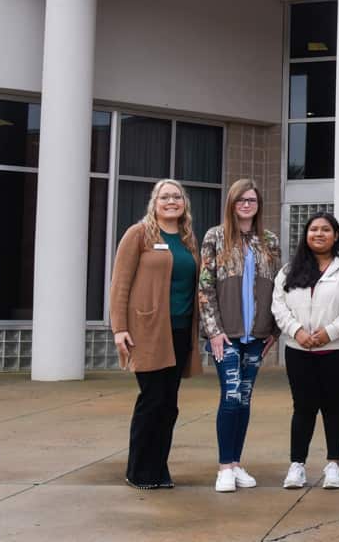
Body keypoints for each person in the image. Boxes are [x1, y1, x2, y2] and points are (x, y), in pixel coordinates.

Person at [109, 178, 201, 489]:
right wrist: (119, 328)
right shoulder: (139, 234)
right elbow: (120, 285)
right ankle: (138, 471)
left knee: (169, 403)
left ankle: (159, 469)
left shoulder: (188, 239)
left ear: (184, 203)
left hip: (179, 331)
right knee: (152, 399)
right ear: (155, 202)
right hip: (147, 331)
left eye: (177, 196)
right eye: (165, 197)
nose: (171, 201)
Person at [271, 211, 339, 490]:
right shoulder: (290, 271)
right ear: (306, 235)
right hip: (299, 349)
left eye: (326, 229)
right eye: (314, 229)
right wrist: (297, 331)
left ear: (336, 235)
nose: (319, 234)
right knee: (303, 407)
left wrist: (329, 333)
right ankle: (297, 466)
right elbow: (278, 305)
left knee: (335, 406)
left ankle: (334, 465)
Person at [198, 178, 282, 492]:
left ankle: (235, 463)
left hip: (257, 335)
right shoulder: (215, 237)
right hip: (226, 334)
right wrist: (214, 331)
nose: (246, 205)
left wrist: (273, 330)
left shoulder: (269, 241)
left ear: (258, 205)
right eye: (240, 200)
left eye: (252, 200)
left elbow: (278, 287)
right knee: (231, 395)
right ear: (231, 204)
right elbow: (205, 288)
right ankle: (223, 467)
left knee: (245, 399)